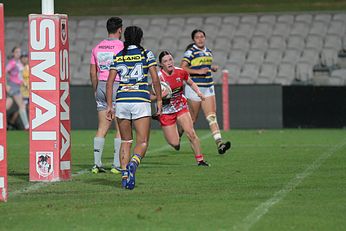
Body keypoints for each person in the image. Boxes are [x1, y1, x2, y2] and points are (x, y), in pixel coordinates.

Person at [106, 26, 162, 190]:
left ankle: (124, 177)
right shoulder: (146, 54)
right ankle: (133, 164)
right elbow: (155, 79)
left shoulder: (118, 56)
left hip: (122, 100)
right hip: (140, 100)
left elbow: (109, 84)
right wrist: (158, 100)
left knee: (126, 141)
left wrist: (110, 105)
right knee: (142, 141)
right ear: (140, 38)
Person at [154, 50, 209, 166]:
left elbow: (191, 82)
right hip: (166, 111)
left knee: (191, 133)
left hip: (181, 106)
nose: (169, 62)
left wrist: (199, 93)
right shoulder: (158, 78)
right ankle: (178, 132)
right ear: (161, 64)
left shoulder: (180, 72)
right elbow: (151, 97)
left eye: (170, 59)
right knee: (175, 143)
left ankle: (200, 160)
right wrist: (159, 96)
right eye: (165, 61)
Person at [180, 29, 231, 154]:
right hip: (194, 89)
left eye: (202, 36)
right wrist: (198, 72)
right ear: (193, 40)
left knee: (211, 116)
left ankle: (219, 143)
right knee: (192, 119)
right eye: (197, 37)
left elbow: (204, 67)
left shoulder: (208, 52)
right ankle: (178, 134)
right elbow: (183, 68)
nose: (200, 39)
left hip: (208, 87)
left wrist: (211, 68)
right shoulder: (190, 52)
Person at [90, 17, 124, 174]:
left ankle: (97, 164)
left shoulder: (97, 47)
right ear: (120, 30)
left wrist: (96, 89)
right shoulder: (121, 46)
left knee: (102, 128)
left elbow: (92, 72)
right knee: (120, 127)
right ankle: (116, 165)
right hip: (116, 86)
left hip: (101, 87)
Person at [6, 46, 29, 130]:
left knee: (8, 105)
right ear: (13, 53)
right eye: (16, 52)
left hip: (18, 86)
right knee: (22, 105)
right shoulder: (12, 63)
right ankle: (27, 126)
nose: (18, 54)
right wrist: (6, 85)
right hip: (13, 86)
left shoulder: (19, 63)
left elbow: (19, 76)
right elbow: (4, 73)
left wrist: (24, 83)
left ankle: (27, 126)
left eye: (19, 52)